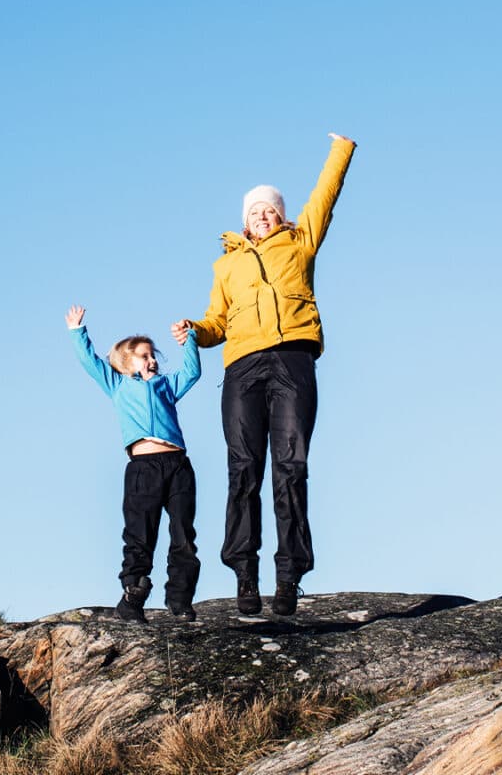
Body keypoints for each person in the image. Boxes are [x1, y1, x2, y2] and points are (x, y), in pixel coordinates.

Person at [172, 133, 355, 617]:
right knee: (244, 468)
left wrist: (341, 150)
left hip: (293, 358)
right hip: (243, 367)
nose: (262, 215)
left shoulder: (300, 243)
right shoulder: (226, 265)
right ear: (244, 221)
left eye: (270, 210)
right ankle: (245, 575)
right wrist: (195, 329)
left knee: (291, 467)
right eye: (255, 211)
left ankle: (289, 577)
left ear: (281, 216)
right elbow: (217, 321)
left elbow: (324, 197)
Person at [65, 304, 202, 622]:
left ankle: (180, 599)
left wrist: (190, 341)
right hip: (143, 469)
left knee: (183, 533)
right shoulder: (118, 385)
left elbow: (193, 373)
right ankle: (133, 596)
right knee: (140, 534)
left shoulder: (166, 386)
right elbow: (90, 362)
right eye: (144, 355)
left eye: (153, 355)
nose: (152, 360)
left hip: (178, 465)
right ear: (127, 362)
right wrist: (77, 331)